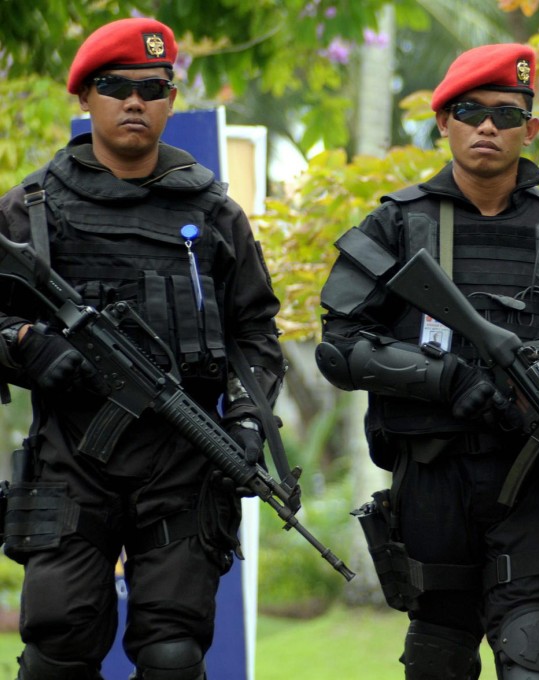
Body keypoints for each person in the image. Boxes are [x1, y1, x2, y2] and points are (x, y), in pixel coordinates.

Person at [316, 43, 539, 679]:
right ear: (443, 122)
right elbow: (340, 345)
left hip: (534, 480)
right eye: (470, 111)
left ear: (532, 129)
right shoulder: (395, 226)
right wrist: (443, 378)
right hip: (432, 481)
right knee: (439, 655)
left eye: (506, 114)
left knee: (535, 655)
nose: (487, 126)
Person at [0, 18, 285, 679]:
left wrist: (245, 421)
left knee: (173, 653)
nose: (135, 101)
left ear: (171, 100)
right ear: (85, 98)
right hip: (71, 462)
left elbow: (256, 332)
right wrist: (23, 344)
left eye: (153, 88)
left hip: (183, 465)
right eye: (116, 86)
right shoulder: (30, 210)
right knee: (58, 647)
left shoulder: (214, 212)